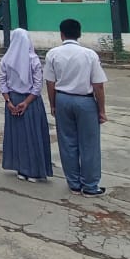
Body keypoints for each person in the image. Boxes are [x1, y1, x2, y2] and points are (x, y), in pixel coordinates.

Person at [44, 19, 108, 196]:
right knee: (89, 144)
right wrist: (101, 110)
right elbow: (98, 85)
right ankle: (90, 185)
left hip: (63, 99)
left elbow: (50, 82)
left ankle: (74, 183)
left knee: (67, 142)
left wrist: (53, 104)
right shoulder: (89, 54)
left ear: (61, 34)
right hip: (85, 101)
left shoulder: (53, 54)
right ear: (79, 34)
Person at [0, 28, 52, 181]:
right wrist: (27, 102)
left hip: (13, 100)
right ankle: (34, 171)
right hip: (31, 101)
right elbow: (37, 85)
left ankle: (21, 169)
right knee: (33, 135)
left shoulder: (6, 59)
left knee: (17, 136)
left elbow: (2, 82)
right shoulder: (33, 59)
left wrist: (8, 101)